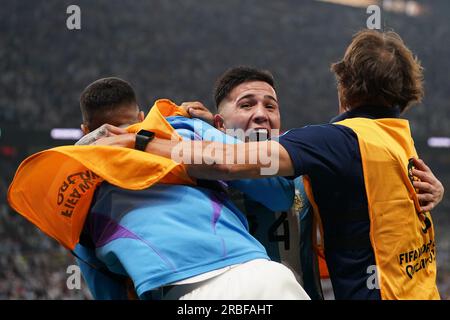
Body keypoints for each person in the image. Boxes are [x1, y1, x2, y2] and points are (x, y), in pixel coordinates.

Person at [97, 30, 444, 299]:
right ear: (219, 123)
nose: (261, 114)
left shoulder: (310, 161)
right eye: (246, 104)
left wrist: (434, 189)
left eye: (271, 105)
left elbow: (235, 163)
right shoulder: (187, 177)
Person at [73, 77, 309, 300]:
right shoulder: (184, 128)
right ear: (142, 116)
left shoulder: (76, 191)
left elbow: (106, 289)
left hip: (176, 291)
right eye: (247, 104)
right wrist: (220, 138)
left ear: (85, 129)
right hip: (259, 275)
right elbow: (279, 192)